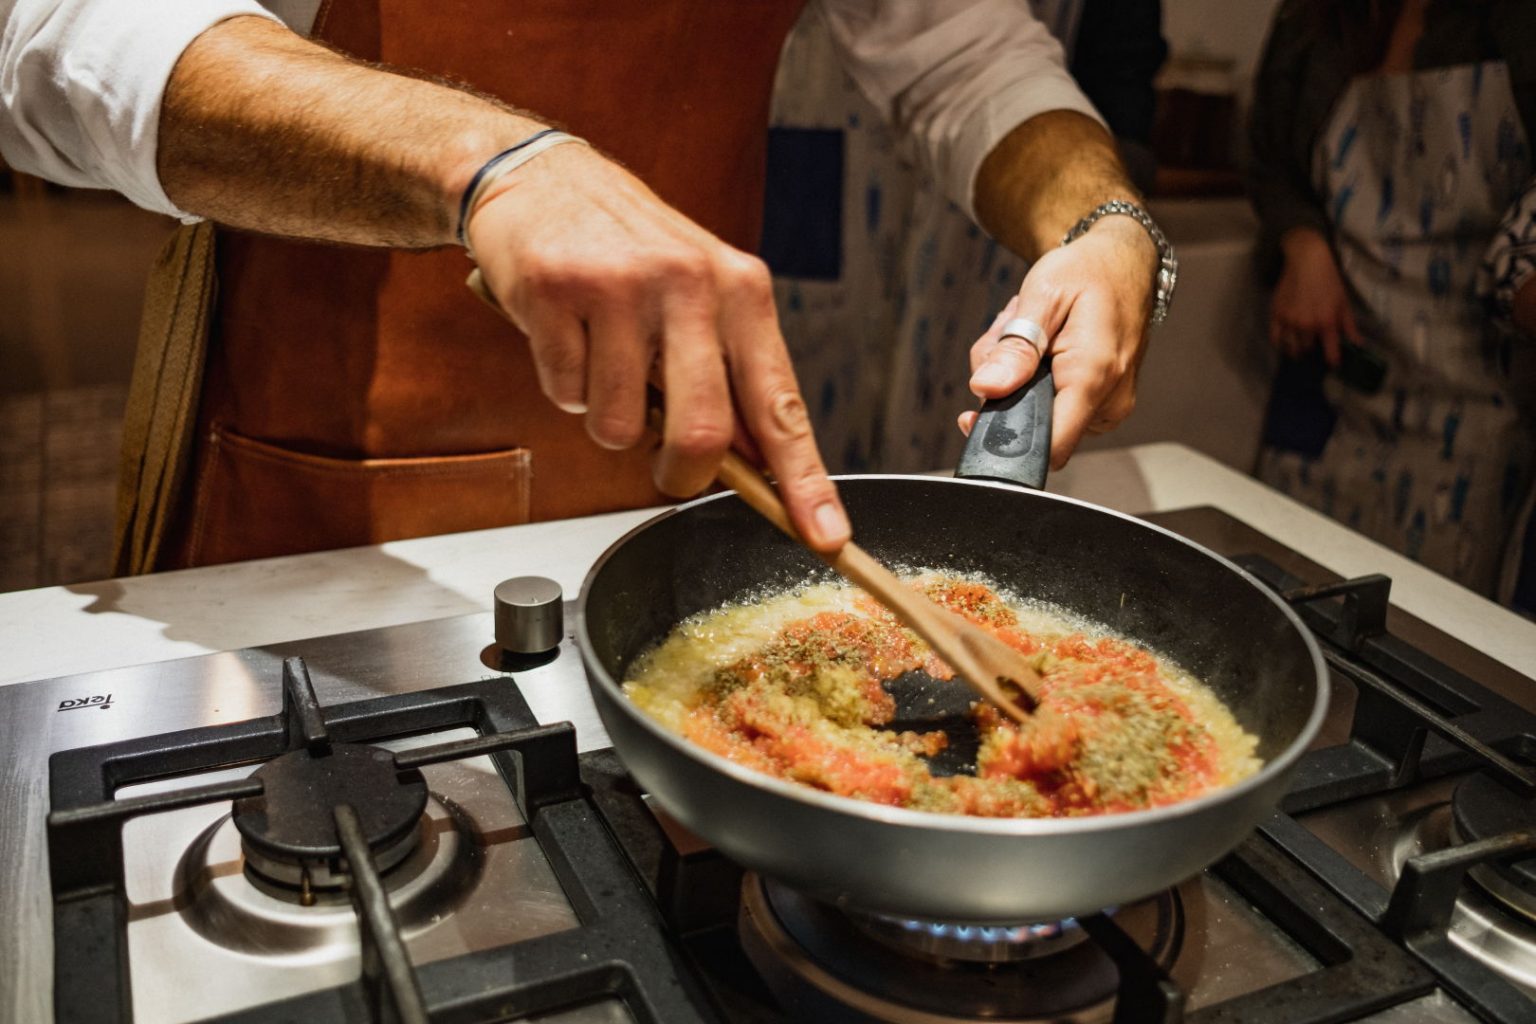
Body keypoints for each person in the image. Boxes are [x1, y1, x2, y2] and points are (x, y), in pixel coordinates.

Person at [0, 0, 1167, 572]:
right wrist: (483, 164)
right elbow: (58, 38)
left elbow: (963, 50)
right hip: (330, 498)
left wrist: (1104, 222)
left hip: (677, 466)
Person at [1248, 0, 1536, 600]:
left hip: (1477, 415)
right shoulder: (1313, 19)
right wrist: (1301, 240)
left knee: (1428, 640)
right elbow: (1270, 161)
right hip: (1331, 382)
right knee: (1282, 603)